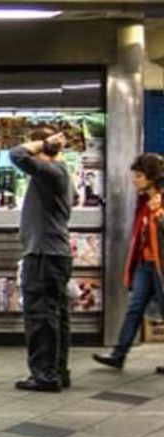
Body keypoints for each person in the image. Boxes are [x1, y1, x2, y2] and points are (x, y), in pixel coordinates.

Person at [9, 127, 73, 392]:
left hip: (44, 255)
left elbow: (16, 155)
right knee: (55, 316)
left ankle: (44, 375)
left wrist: (43, 144)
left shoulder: (52, 173)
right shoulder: (60, 174)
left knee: (40, 318)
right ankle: (57, 370)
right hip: (54, 253)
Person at [93, 153, 164, 371]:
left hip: (160, 267)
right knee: (135, 307)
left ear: (152, 177)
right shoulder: (144, 202)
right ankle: (119, 354)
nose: (135, 180)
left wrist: (159, 215)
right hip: (145, 264)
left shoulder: (158, 203)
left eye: (140, 175)